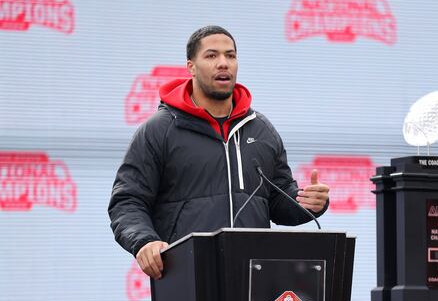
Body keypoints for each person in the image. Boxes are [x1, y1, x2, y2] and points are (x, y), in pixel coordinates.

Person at [108, 26, 330, 280]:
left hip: (255, 278)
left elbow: (278, 202)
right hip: (186, 277)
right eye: (212, 56)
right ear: (191, 66)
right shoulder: (159, 130)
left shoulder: (262, 129)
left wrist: (307, 202)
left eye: (230, 56)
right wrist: (145, 242)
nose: (223, 63)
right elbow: (127, 201)